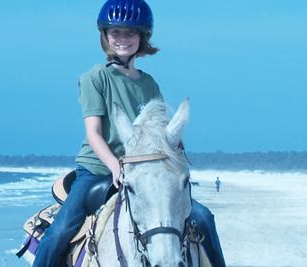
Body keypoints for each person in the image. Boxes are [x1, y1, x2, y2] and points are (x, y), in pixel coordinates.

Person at [33, 1, 226, 266]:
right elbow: (94, 134)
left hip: (144, 170)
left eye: (130, 33)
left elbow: (162, 134)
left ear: (142, 37)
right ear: (105, 35)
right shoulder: (94, 78)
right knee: (60, 230)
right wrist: (115, 166)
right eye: (116, 32)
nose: (123, 39)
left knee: (203, 218)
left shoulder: (149, 83)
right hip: (98, 168)